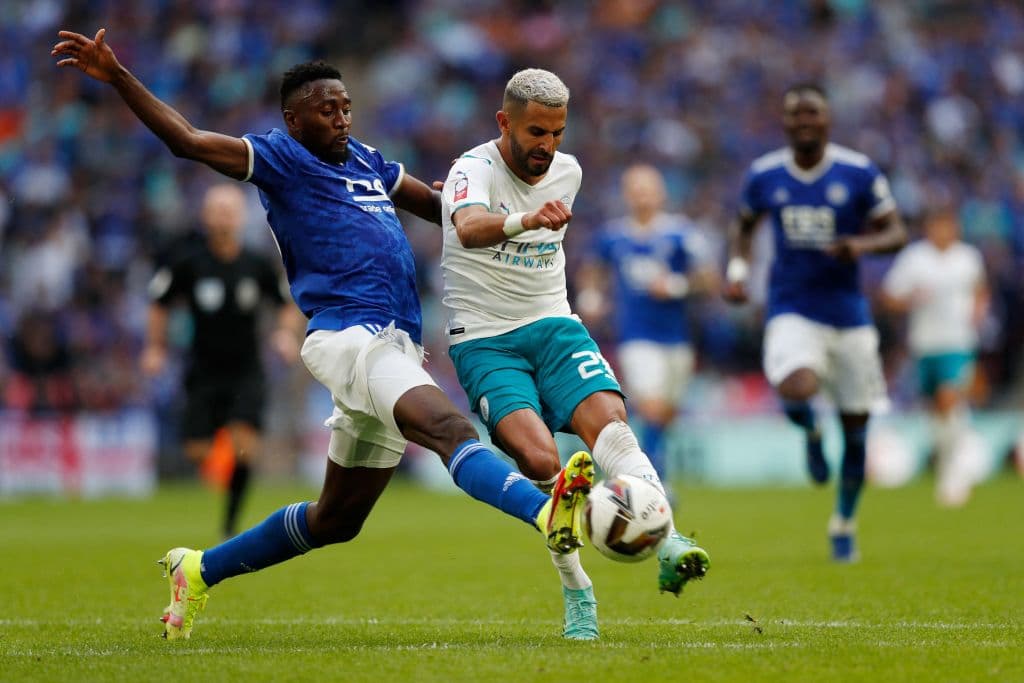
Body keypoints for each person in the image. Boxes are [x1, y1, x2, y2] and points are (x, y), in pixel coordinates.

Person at [53, 29, 593, 641]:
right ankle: (545, 511)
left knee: (336, 519)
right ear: (294, 118)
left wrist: (497, 202)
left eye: (345, 107)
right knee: (448, 429)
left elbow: (442, 207)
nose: (340, 118)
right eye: (326, 109)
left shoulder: (366, 160)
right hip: (348, 336)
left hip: (395, 342)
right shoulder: (282, 159)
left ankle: (198, 569)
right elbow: (188, 141)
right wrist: (119, 74)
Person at [439, 68, 711, 640]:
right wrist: (527, 220)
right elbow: (468, 228)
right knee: (540, 463)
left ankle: (666, 536)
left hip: (555, 324)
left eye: (558, 132)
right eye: (536, 132)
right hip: (485, 337)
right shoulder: (471, 170)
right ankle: (578, 592)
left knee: (611, 423)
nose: (548, 146)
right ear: (503, 122)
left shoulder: (569, 171)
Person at [723, 83, 907, 562]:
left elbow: (896, 230)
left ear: (828, 120)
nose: (804, 122)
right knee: (796, 386)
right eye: (795, 115)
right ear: (784, 123)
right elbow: (743, 226)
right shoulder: (765, 174)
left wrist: (859, 246)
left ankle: (843, 522)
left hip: (848, 315)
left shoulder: (858, 171)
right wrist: (738, 272)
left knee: (858, 428)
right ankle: (809, 432)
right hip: (792, 308)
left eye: (813, 114)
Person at [141, 183, 301, 538]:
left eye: (230, 209)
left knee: (245, 447)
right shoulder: (188, 262)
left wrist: (285, 334)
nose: (224, 216)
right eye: (217, 209)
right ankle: (224, 472)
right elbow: (159, 302)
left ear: (241, 216)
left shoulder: (256, 263)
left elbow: (286, 303)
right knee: (198, 451)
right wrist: (155, 347)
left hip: (246, 369)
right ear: (205, 216)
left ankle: (230, 525)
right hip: (202, 369)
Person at [578, 163, 718, 488]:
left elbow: (710, 278)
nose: (642, 197)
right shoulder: (613, 236)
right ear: (627, 195)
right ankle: (656, 486)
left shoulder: (681, 233)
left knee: (665, 414)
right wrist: (591, 295)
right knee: (652, 408)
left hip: (677, 338)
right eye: (636, 190)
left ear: (661, 193)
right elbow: (592, 268)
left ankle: (649, 469)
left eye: (648, 189)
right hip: (636, 336)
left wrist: (676, 285)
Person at [880, 207, 988, 507]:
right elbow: (889, 297)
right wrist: (911, 299)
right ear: (929, 228)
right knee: (934, 411)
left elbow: (980, 289)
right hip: (924, 344)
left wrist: (978, 312)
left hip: (958, 341)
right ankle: (946, 462)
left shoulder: (967, 257)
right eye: (937, 226)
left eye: (948, 226)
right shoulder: (915, 259)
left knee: (948, 398)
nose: (943, 232)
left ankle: (954, 473)